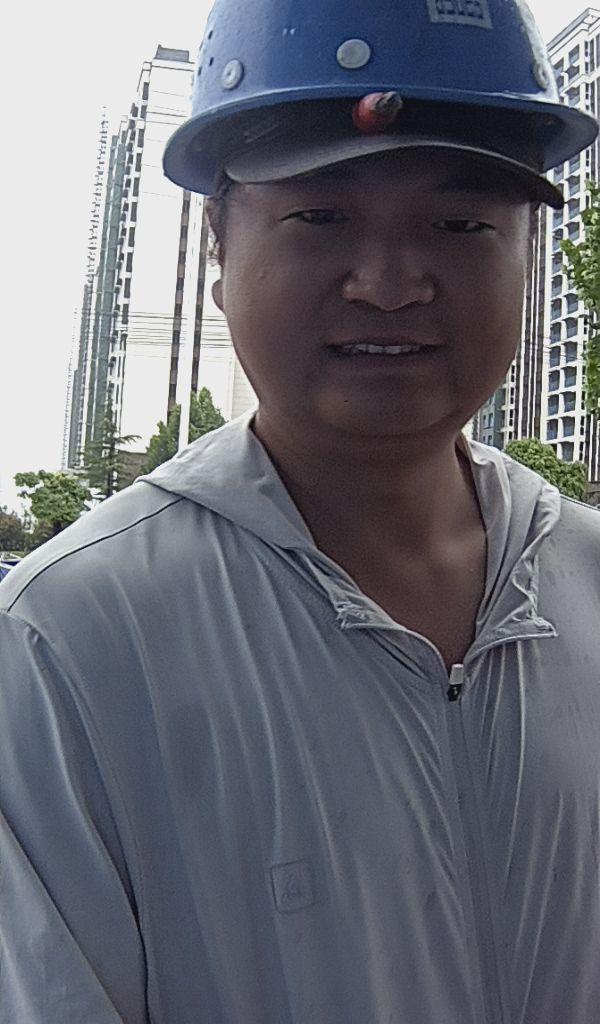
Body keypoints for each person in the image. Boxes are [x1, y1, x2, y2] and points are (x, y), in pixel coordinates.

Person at [1, 1, 599, 1021]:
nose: (391, 285)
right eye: (322, 217)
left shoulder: (586, 576)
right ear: (219, 246)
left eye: (459, 225)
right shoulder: (72, 639)